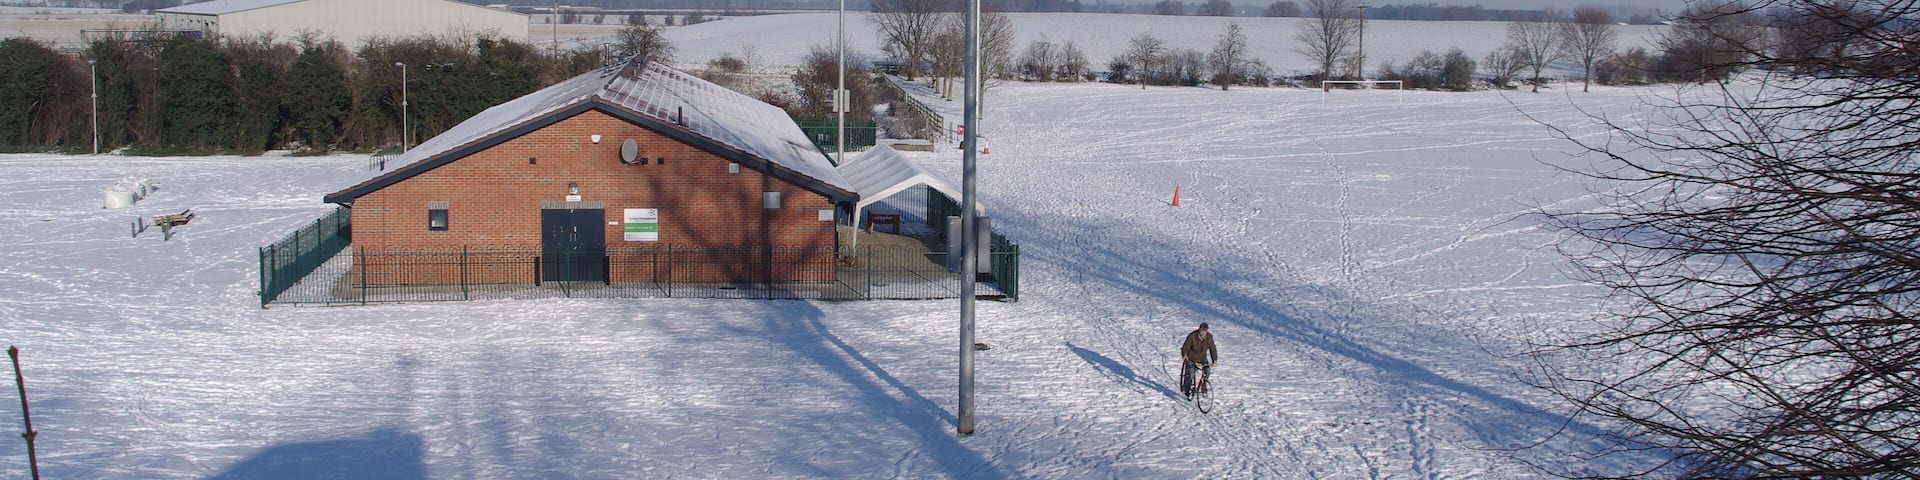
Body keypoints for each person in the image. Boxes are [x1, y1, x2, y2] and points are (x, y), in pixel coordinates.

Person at [1180, 322, 1218, 399]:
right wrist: (1185, 355)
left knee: (1207, 370)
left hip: (1202, 358)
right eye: (1202, 331)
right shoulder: (1192, 336)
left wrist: (1214, 360)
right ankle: (1188, 389)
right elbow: (1185, 346)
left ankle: (1203, 387)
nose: (1203, 333)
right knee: (1190, 374)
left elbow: (1212, 349)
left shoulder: (1209, 337)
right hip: (1191, 358)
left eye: (1205, 331)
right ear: (1199, 329)